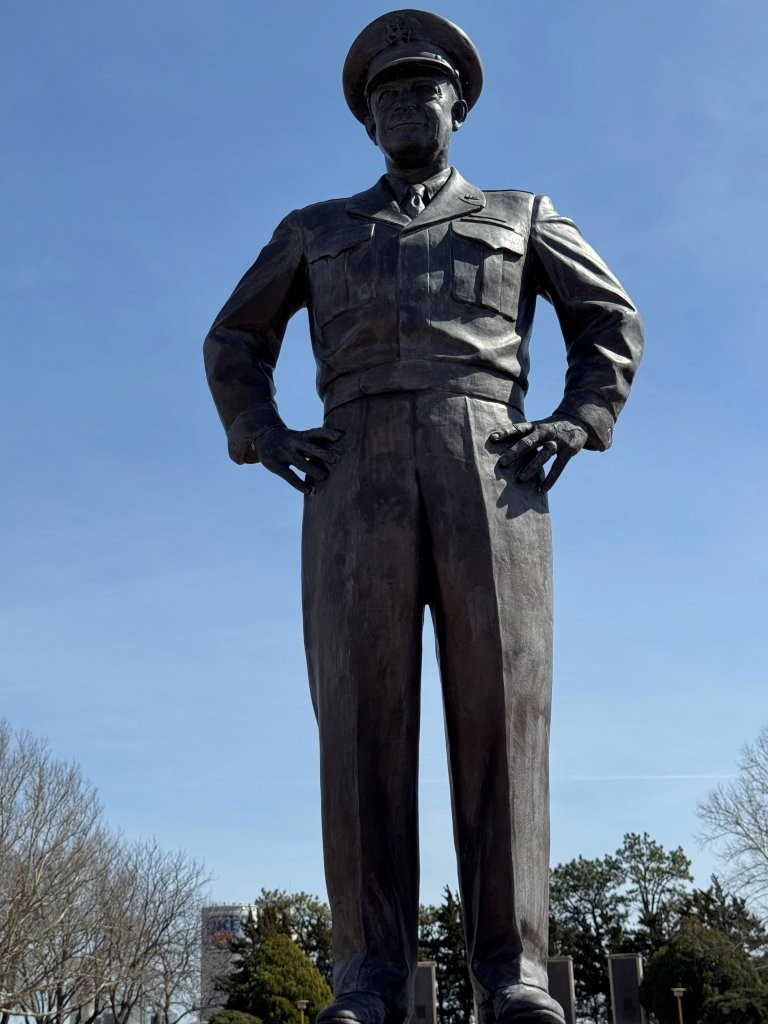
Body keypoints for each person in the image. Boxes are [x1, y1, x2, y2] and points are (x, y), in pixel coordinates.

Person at [203, 10, 643, 1024]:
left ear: (458, 106)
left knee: (503, 712)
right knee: (362, 720)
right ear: (366, 122)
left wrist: (581, 417)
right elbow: (234, 339)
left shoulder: (523, 214)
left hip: (491, 461)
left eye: (423, 89)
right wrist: (264, 433)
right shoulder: (316, 229)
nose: (407, 104)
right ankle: (367, 970)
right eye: (387, 94)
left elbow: (610, 321)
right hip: (353, 465)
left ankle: (513, 970)